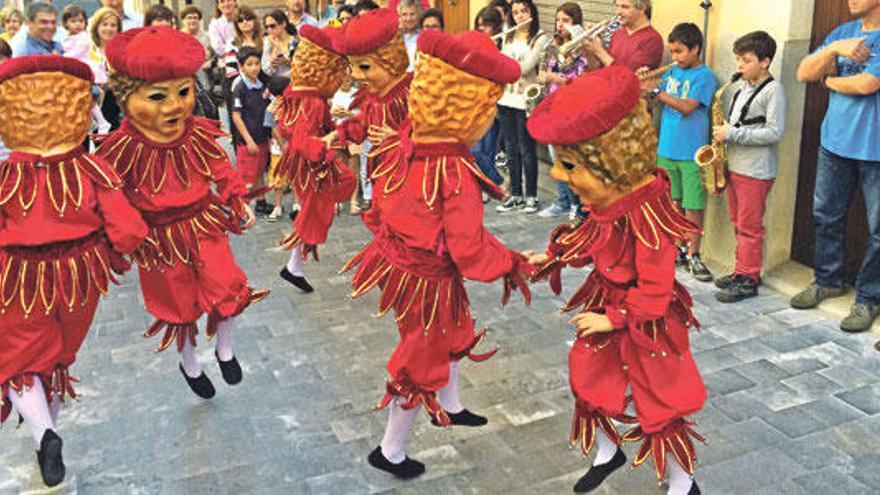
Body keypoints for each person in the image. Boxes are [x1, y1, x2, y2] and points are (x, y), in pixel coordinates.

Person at [347, 27, 530, 480]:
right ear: (475, 107)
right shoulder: (453, 170)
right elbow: (469, 249)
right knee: (421, 357)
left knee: (452, 329)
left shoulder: (405, 139)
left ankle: (450, 404)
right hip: (426, 278)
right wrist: (514, 263)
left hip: (398, 264)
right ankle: (389, 450)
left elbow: (382, 202)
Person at [525, 65, 706, 495]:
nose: (557, 176)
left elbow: (657, 289)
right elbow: (592, 236)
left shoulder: (649, 213)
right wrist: (553, 257)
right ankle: (608, 452)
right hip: (609, 305)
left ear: (610, 161)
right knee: (588, 376)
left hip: (647, 320)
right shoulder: (611, 199)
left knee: (660, 402)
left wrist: (617, 317)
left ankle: (683, 484)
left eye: (569, 165)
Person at [96, 27, 267, 399]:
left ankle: (225, 349)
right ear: (128, 98)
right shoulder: (121, 147)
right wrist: (121, 233)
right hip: (158, 239)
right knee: (179, 307)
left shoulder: (195, 132)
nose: (175, 106)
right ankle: (189, 363)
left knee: (228, 285)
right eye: (158, 97)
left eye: (184, 92)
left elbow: (220, 168)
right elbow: (110, 194)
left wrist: (235, 197)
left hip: (203, 222)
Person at [0, 55, 147, 488]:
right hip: (81, 269)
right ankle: (46, 436)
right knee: (60, 354)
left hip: (19, 277)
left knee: (22, 358)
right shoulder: (92, 168)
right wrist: (121, 254)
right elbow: (126, 227)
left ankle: (45, 433)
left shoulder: (7, 176)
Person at [793, 0, 880, 332]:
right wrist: (836, 50)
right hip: (835, 144)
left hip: (875, 149)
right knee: (825, 215)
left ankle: (868, 298)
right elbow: (804, 72)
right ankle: (829, 279)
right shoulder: (842, 33)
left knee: (878, 232)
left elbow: (867, 84)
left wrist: (828, 80)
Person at [273, 24, 356, 292]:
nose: (346, 75)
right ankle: (293, 264)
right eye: (341, 69)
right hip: (312, 166)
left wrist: (333, 127)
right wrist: (333, 138)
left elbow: (289, 128)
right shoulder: (312, 101)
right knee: (316, 210)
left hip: (305, 164)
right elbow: (303, 140)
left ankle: (294, 265)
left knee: (313, 212)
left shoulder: (299, 92)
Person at [712, 31, 786, 303]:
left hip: (755, 170)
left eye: (745, 61)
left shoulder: (774, 91)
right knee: (738, 222)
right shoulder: (743, 88)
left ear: (765, 62)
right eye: (738, 60)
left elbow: (775, 132)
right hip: (736, 165)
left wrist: (733, 134)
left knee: (750, 226)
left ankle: (748, 278)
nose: (739, 66)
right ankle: (740, 270)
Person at [642, 23, 716, 282]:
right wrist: (647, 88)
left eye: (680, 52)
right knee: (672, 204)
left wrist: (658, 92)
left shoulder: (704, 76)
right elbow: (652, 100)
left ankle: (694, 254)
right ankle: (676, 249)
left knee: (693, 206)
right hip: (667, 148)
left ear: (695, 49)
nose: (674, 58)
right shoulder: (671, 72)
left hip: (691, 152)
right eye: (672, 52)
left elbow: (687, 107)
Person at [495, 0, 548, 214]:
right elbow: (499, 66)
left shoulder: (541, 37)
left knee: (527, 150)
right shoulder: (507, 35)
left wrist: (501, 62)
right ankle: (516, 194)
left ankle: (532, 196)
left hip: (525, 101)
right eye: (515, 12)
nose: (520, 16)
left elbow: (525, 68)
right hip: (506, 99)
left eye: (524, 11)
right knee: (511, 149)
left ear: (531, 11)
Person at [537, 2, 588, 220]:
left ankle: (576, 203)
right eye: (558, 20)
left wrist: (557, 78)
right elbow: (544, 75)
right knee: (555, 157)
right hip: (553, 106)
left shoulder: (582, 49)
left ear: (575, 22)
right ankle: (563, 201)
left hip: (572, 110)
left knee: (570, 160)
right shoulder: (554, 46)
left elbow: (582, 79)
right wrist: (546, 77)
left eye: (565, 20)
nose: (560, 25)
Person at [231, 46, 272, 212]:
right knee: (247, 178)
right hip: (248, 141)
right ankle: (241, 209)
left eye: (257, 63)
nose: (254, 67)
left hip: (261, 137)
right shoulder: (240, 89)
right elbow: (236, 116)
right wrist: (248, 140)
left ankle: (261, 202)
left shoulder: (261, 86)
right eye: (249, 64)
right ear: (241, 67)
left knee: (260, 172)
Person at [470, 6, 505, 187]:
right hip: (476, 103)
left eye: (486, 25)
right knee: (475, 149)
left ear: (495, 27)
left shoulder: (503, 45)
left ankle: (490, 185)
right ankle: (495, 182)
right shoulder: (476, 45)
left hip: (495, 104)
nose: (482, 29)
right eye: (479, 25)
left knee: (488, 149)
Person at [584, 0, 662, 72]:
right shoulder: (618, 33)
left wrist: (599, 51)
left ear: (642, 9)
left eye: (625, 7)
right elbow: (600, 69)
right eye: (617, 6)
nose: (618, 12)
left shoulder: (653, 39)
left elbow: (628, 76)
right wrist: (589, 53)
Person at [88, 7, 123, 131]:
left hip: (119, 112)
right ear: (96, 27)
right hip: (96, 111)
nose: (109, 28)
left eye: (113, 25)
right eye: (104, 24)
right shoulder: (88, 51)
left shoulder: (122, 53)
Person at [261, 9, 298, 79]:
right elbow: (266, 69)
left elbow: (302, 65)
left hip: (294, 81)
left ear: (283, 24)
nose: (269, 30)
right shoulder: (267, 41)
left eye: (272, 26)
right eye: (266, 27)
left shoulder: (294, 41)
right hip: (276, 82)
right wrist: (272, 63)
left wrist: (288, 62)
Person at [397, 0, 421, 71]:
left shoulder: (422, 35)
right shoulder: (395, 36)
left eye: (412, 14)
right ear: (400, 16)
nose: (409, 18)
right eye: (404, 14)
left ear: (418, 15)